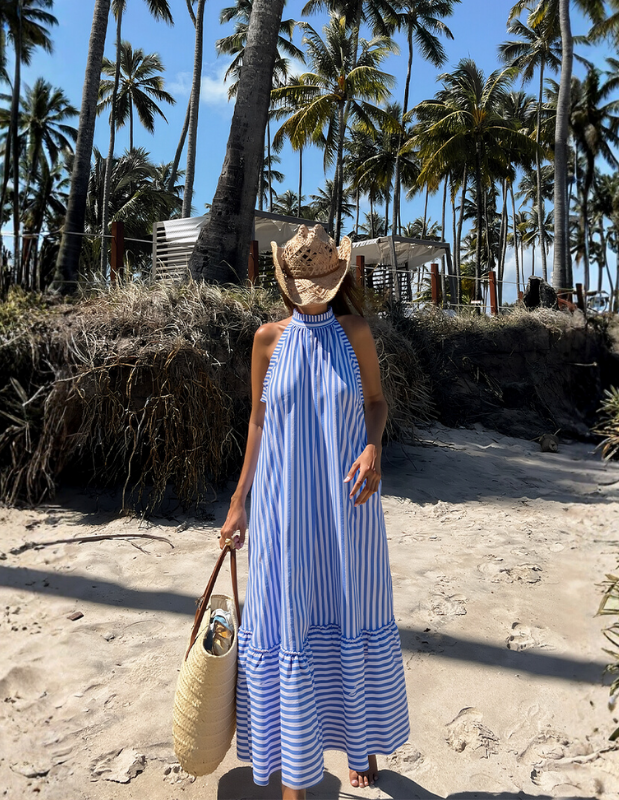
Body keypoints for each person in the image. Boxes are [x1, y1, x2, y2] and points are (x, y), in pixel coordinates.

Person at [218, 224, 410, 799]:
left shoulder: (356, 333)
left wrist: (373, 447)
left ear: (337, 282)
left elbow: (375, 402)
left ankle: (361, 744)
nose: (311, 299)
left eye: (320, 289)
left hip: (347, 502)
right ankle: (296, 777)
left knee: (351, 606)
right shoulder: (267, 340)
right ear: (286, 285)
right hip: (283, 505)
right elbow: (258, 420)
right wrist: (239, 501)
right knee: (287, 618)